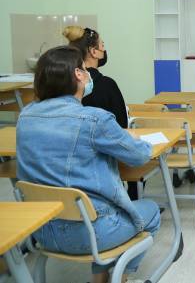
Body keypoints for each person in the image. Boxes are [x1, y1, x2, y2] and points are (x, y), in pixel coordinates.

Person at [16, 46, 160, 283]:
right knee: (151, 211)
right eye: (85, 68)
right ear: (79, 75)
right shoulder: (94, 119)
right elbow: (138, 156)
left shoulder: (25, 117)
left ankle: (99, 278)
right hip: (92, 233)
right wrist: (135, 139)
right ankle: (122, 277)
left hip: (42, 232)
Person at [63, 26, 141, 200]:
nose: (104, 50)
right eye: (102, 46)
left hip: (74, 164)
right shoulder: (107, 85)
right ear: (93, 52)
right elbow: (121, 128)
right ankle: (132, 200)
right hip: (105, 159)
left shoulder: (66, 85)